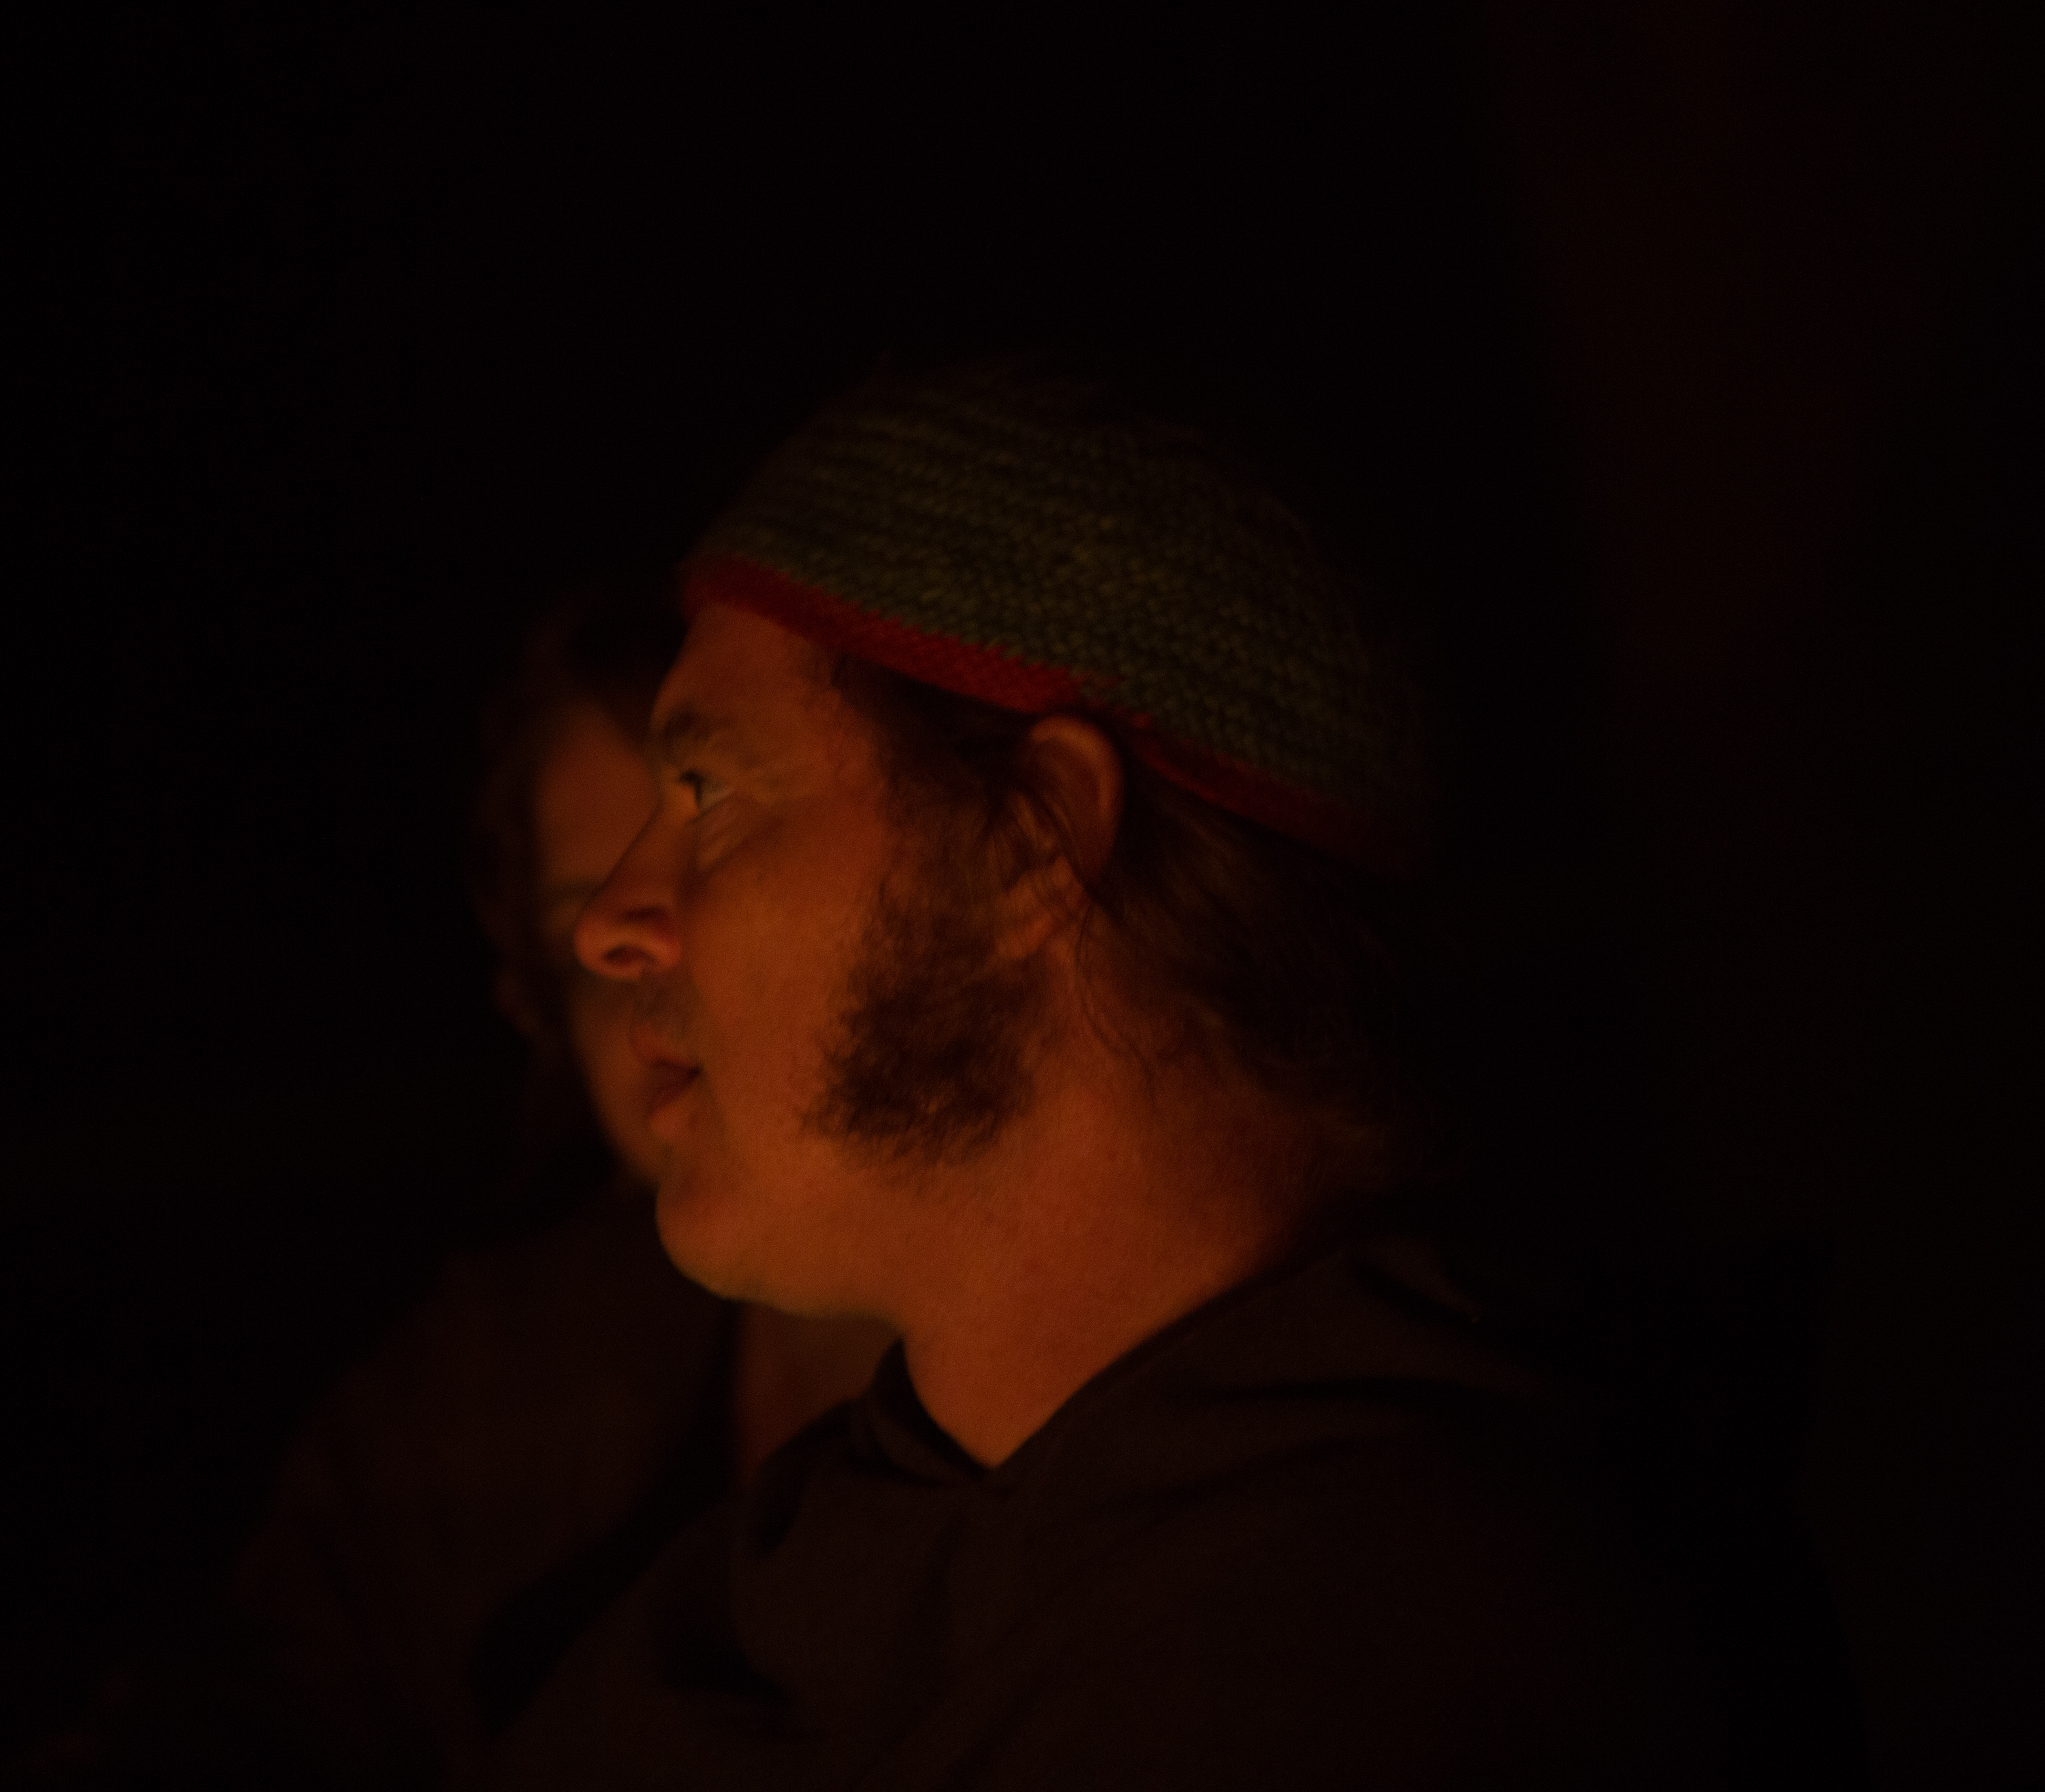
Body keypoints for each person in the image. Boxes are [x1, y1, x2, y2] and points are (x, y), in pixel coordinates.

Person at [487, 363, 1858, 1788]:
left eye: (710, 793)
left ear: (1035, 840)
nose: (609, 924)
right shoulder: (845, 1561)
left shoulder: (1396, 1664)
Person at [0, 583, 890, 1792]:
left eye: (716, 849)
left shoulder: (1057, 1428)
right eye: (588, 939)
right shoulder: (502, 1375)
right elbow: (274, 1699)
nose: (641, 966)